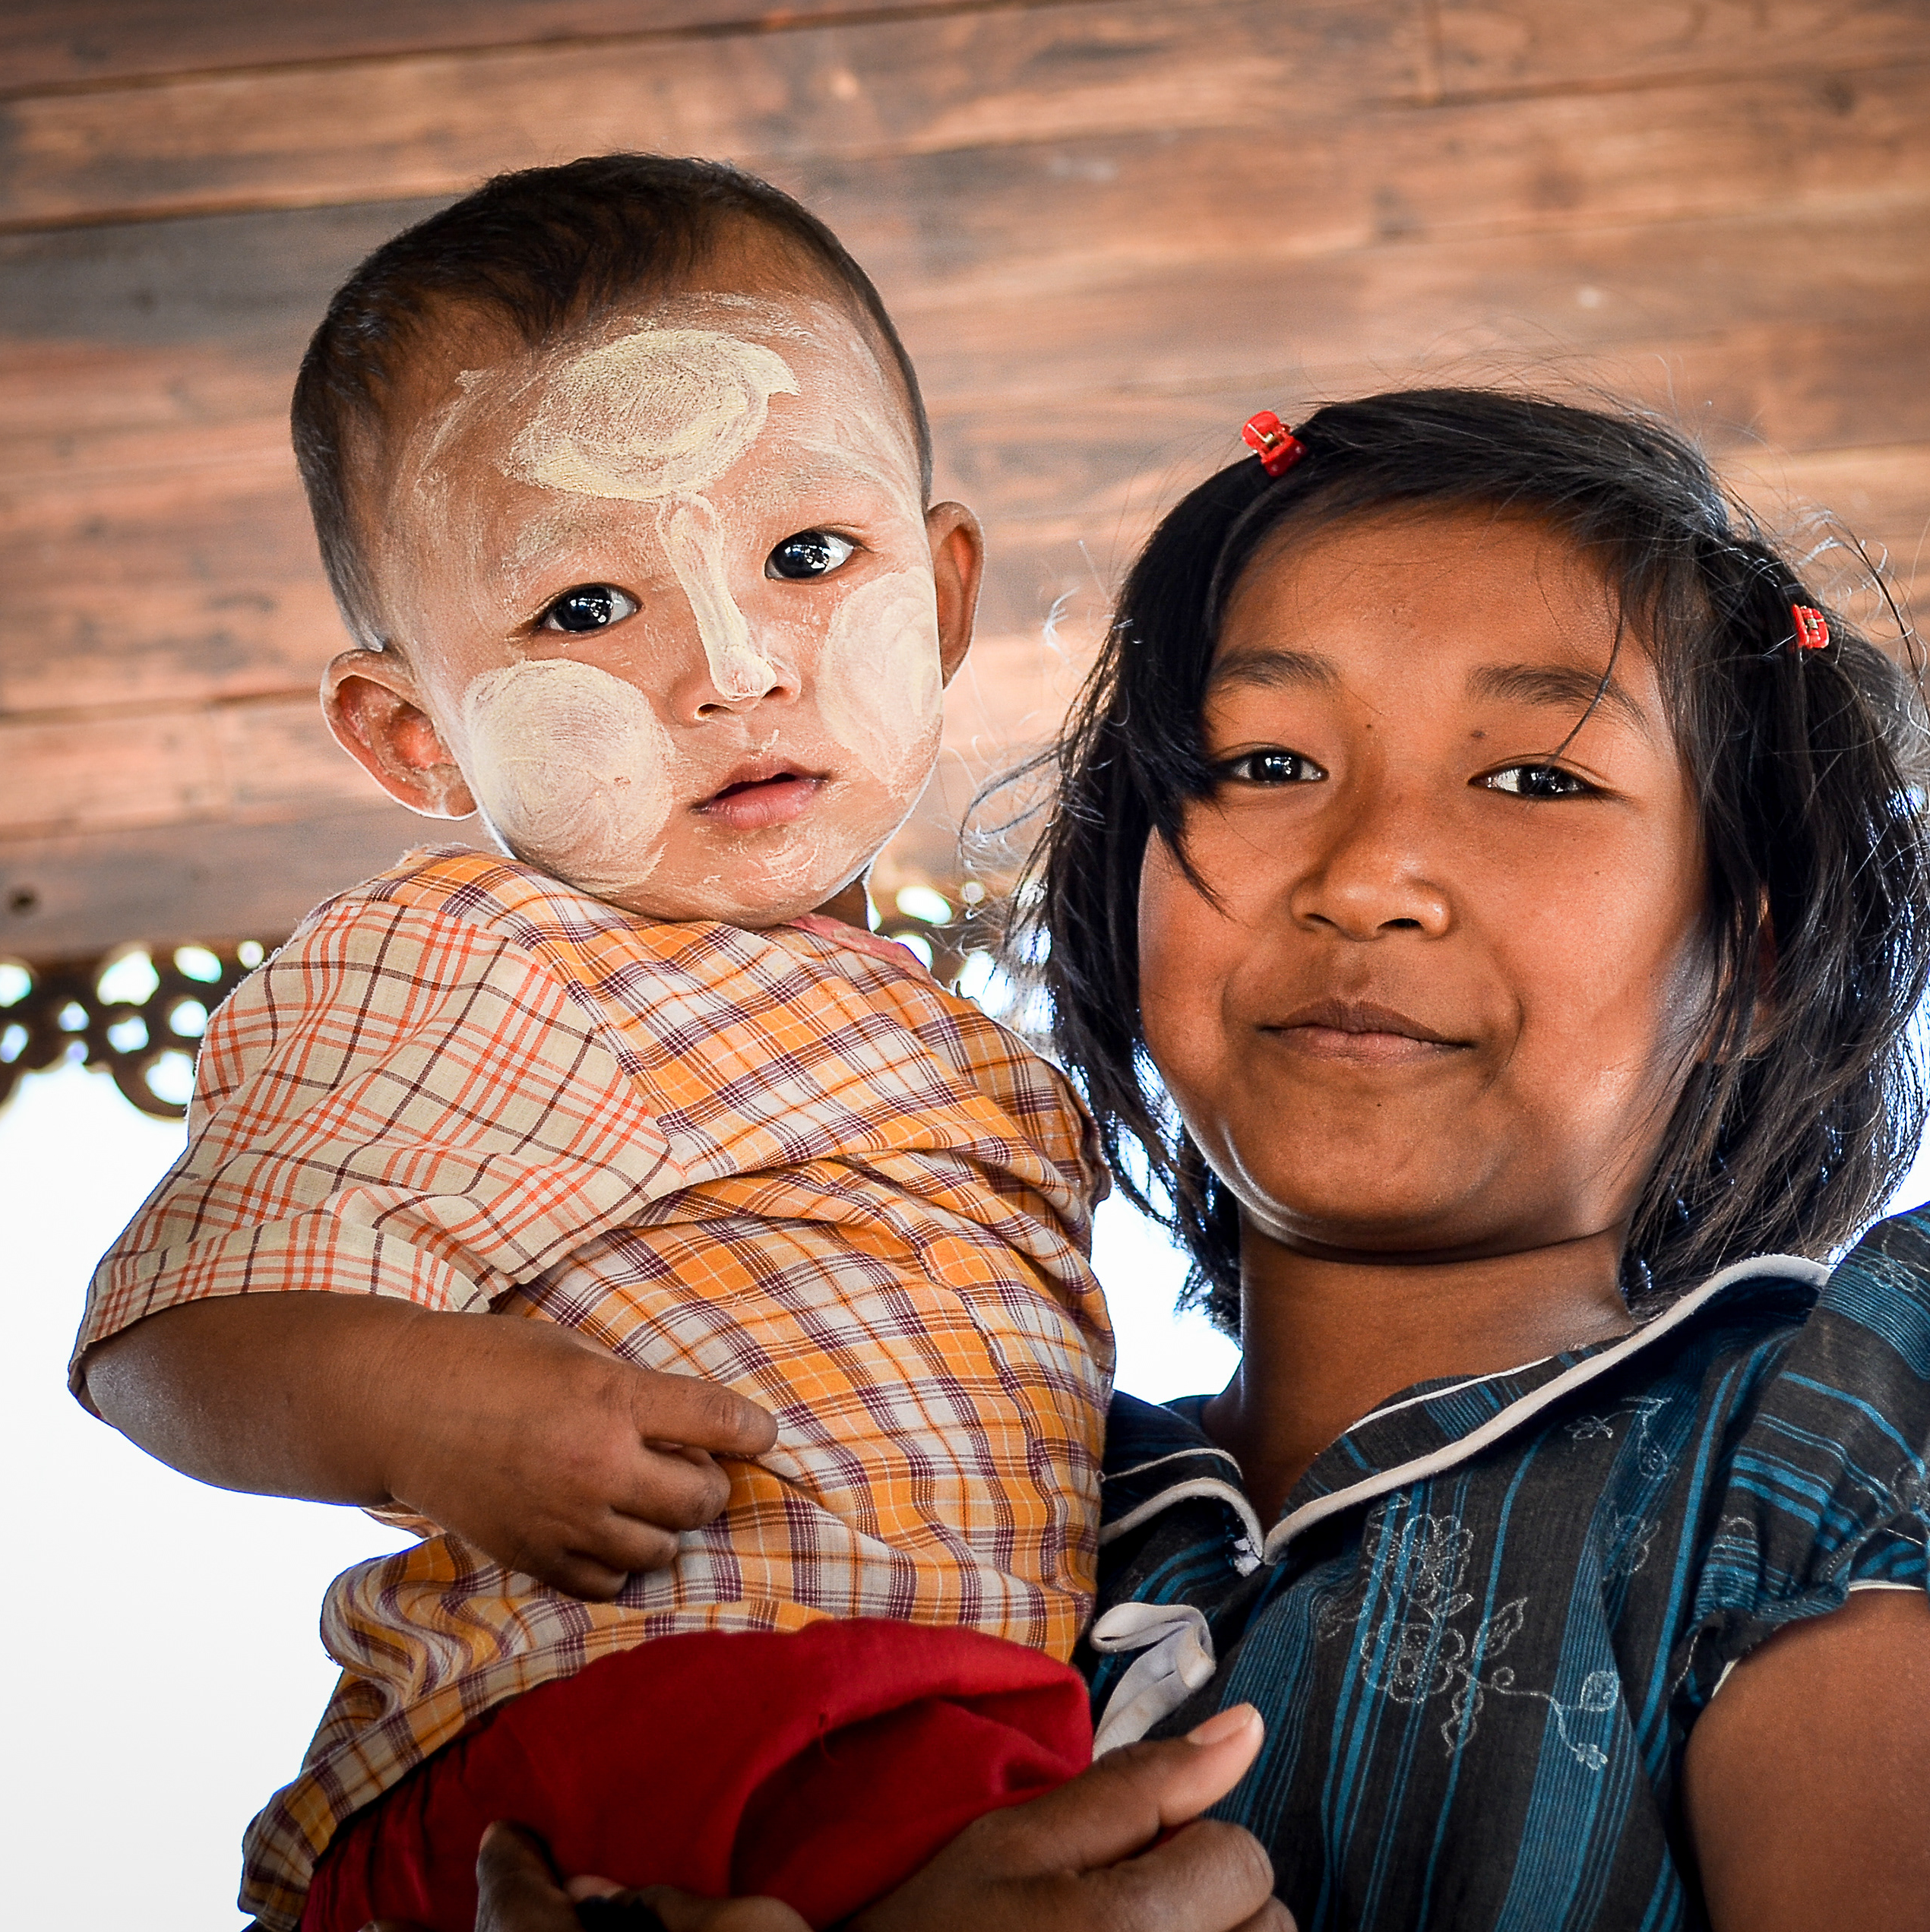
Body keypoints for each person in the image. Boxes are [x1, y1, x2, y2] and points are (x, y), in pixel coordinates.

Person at [71, 156, 1168, 1932]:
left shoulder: (969, 1054)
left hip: (886, 1746)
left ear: (948, 592)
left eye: (810, 556)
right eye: (585, 609)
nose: (734, 670)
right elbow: (169, 1332)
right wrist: (443, 1422)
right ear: (414, 738)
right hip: (639, 1725)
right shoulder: (493, 955)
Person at [1026, 390, 1930, 1927]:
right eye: (1266, 762)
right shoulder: (965, 1475)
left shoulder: (1819, 1460)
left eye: (1540, 780)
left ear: (1750, 960)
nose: (1368, 877)